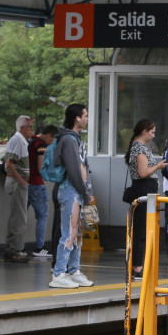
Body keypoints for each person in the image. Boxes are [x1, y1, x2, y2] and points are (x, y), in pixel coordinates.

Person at [49, 104, 95, 289]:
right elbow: (74, 169)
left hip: (77, 191)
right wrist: (84, 193)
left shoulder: (75, 139)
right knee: (69, 231)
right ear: (77, 118)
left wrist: (85, 192)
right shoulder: (68, 140)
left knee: (76, 233)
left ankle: (74, 270)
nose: (86, 118)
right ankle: (59, 272)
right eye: (85, 115)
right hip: (70, 191)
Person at [125, 119, 168, 278]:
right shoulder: (139, 148)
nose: (153, 135)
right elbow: (143, 172)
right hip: (143, 189)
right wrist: (158, 166)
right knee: (141, 229)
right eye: (152, 131)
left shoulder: (137, 147)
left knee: (142, 228)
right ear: (144, 131)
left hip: (143, 189)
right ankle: (137, 266)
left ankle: (138, 264)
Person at [2, 115, 33, 263]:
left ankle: (13, 248)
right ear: (22, 128)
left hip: (17, 182)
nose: (32, 130)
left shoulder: (21, 141)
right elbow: (10, 163)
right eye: (30, 127)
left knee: (18, 217)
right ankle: (15, 250)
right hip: (16, 182)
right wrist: (20, 180)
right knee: (19, 218)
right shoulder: (17, 140)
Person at [27, 125, 55, 259]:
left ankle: (16, 247)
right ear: (50, 135)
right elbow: (40, 167)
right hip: (36, 184)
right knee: (43, 216)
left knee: (20, 217)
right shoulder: (41, 145)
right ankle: (39, 247)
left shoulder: (29, 140)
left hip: (24, 183)